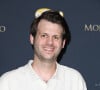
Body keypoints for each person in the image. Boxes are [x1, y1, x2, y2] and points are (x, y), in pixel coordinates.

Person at [0, 8, 87, 90]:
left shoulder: (75, 81)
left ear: (63, 43)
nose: (50, 42)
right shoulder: (9, 83)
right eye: (44, 35)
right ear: (32, 39)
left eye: (56, 37)